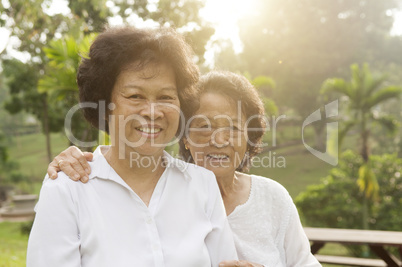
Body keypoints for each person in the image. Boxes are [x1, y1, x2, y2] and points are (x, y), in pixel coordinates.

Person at [48, 70, 321, 266]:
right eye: (204, 126)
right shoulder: (158, 198)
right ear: (185, 137)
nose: (219, 140)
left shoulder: (272, 197)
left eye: (234, 128)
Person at [27, 26, 238, 267]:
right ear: (105, 106)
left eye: (166, 97)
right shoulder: (68, 190)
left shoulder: (202, 184)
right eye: (135, 96)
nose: (152, 112)